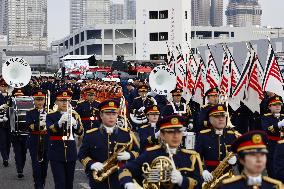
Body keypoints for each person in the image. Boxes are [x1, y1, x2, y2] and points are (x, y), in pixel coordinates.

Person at [119, 115, 203, 189]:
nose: (176, 136)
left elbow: (200, 184)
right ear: (162, 135)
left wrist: (183, 181)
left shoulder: (191, 157)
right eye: (170, 132)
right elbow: (125, 169)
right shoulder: (150, 154)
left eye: (179, 131)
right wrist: (129, 184)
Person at [78, 99, 140, 189]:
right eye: (108, 114)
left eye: (114, 114)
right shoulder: (91, 135)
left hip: (120, 180)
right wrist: (92, 164)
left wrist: (129, 155)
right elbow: (82, 155)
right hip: (98, 182)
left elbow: (138, 152)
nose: (111, 117)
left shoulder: (126, 134)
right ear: (101, 115)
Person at [46, 89, 83, 189]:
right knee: (60, 183)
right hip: (56, 152)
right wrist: (58, 123)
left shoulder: (75, 115)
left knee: (69, 183)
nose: (64, 103)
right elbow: (49, 131)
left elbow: (80, 132)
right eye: (61, 100)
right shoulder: (51, 115)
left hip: (70, 152)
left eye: (66, 101)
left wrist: (75, 125)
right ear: (57, 102)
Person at [195, 104, 240, 183]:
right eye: (217, 117)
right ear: (210, 120)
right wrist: (203, 171)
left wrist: (236, 158)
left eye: (223, 116)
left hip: (228, 176)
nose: (221, 119)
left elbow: (241, 153)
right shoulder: (203, 135)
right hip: (210, 176)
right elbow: (196, 157)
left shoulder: (232, 135)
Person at [26, 89, 49, 189]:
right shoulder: (30, 113)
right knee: (36, 167)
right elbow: (30, 126)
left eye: (42, 100)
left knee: (44, 168)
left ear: (44, 100)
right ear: (34, 101)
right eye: (37, 100)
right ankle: (38, 186)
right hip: (34, 142)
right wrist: (41, 122)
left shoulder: (50, 112)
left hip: (47, 142)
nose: (40, 102)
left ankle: (41, 184)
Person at [261, 95, 284, 178]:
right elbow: (266, 130)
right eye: (274, 104)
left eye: (279, 104)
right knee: (273, 172)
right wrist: (278, 125)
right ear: (269, 107)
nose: (278, 106)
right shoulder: (265, 117)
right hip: (272, 147)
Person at [11, 88, 28, 178]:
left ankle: (21, 166)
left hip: (25, 133)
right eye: (17, 96)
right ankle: (19, 170)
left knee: (24, 152)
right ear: (14, 96)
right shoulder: (10, 104)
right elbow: (7, 116)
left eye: (20, 96)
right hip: (15, 133)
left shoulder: (28, 105)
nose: (19, 97)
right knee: (17, 151)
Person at [0, 79, 10, 167]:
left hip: (9, 122)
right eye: (2, 86)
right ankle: (5, 158)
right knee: (2, 141)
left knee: (8, 142)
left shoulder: (9, 96)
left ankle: (6, 155)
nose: (4, 88)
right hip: (0, 122)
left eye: (5, 86)